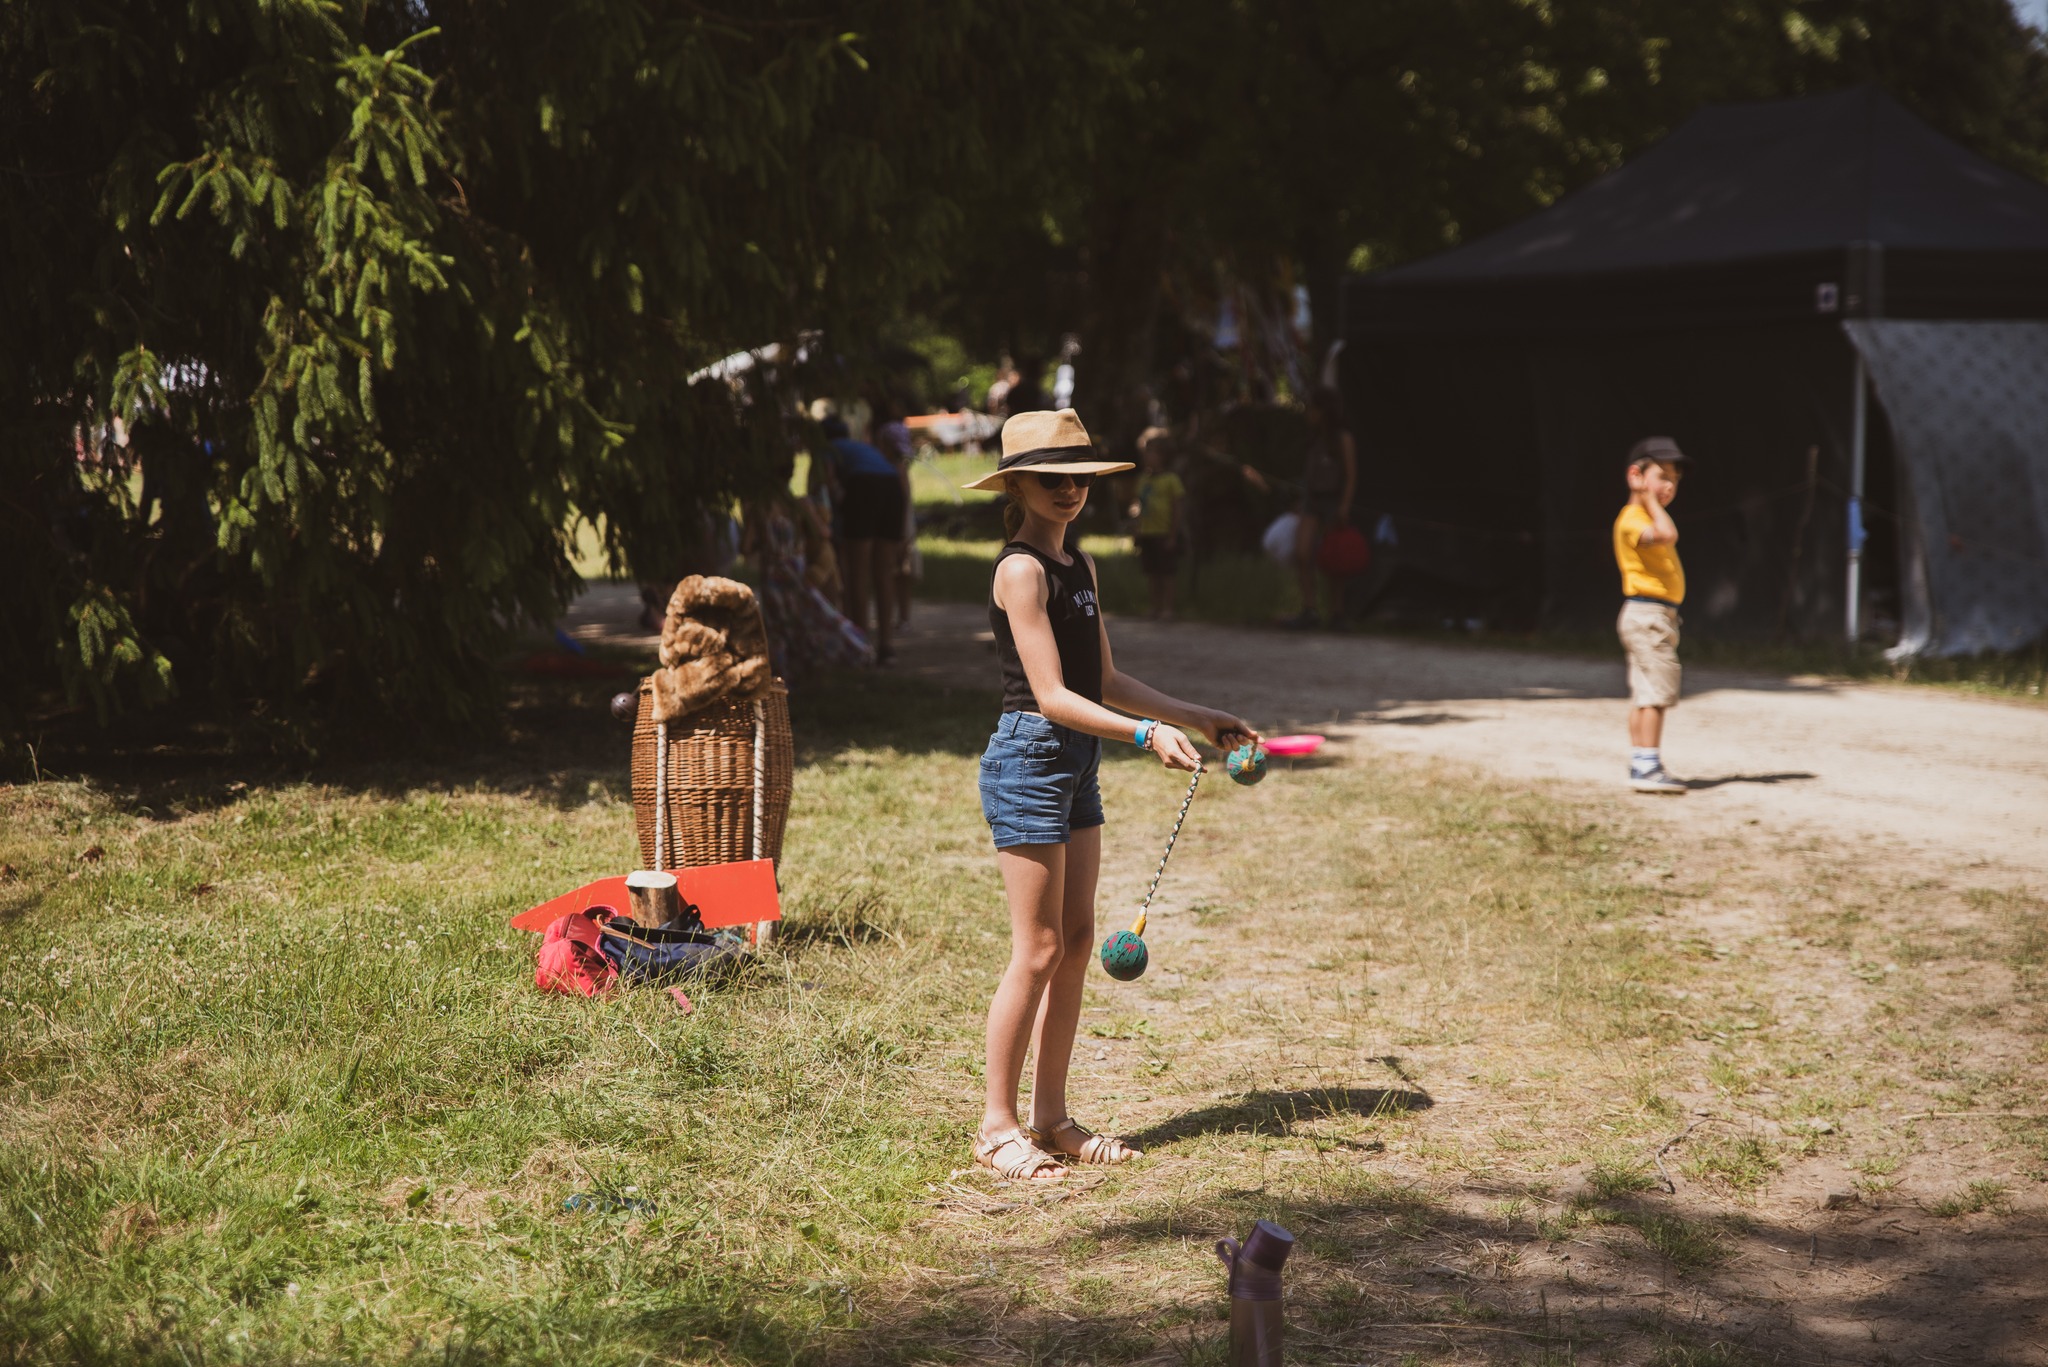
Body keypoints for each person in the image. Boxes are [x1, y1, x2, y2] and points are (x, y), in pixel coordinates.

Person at [962, 408, 1260, 1180]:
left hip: (1076, 762)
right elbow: (1052, 694)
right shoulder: (1020, 570)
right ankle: (996, 1127)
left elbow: (1104, 678)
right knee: (1037, 949)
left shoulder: (1080, 566)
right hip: (1030, 757)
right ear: (1017, 486)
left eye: (1080, 478)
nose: (1068, 491)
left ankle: (1051, 1117)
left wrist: (1197, 716)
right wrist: (1143, 734)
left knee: (1077, 939)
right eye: (1050, 479)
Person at [742, 455, 872, 680]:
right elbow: (823, 533)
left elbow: (745, 546)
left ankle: (784, 675)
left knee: (777, 626)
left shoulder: (760, 508)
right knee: (814, 615)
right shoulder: (801, 505)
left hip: (772, 573)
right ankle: (850, 652)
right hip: (795, 569)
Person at [1615, 436, 1690, 795]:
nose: (1670, 486)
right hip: (1648, 616)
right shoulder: (1633, 519)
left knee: (1646, 691)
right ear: (1636, 476)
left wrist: (1651, 498)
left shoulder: (1643, 516)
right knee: (1656, 693)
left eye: (1675, 480)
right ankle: (1648, 765)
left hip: (1656, 616)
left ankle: (1640, 761)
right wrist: (1647, 499)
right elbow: (1667, 534)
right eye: (1662, 476)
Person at [820, 413, 905, 665]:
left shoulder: (827, 449)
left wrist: (836, 506)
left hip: (863, 486)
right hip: (892, 486)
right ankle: (886, 646)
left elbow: (827, 480)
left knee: (857, 572)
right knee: (884, 572)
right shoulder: (861, 447)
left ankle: (859, 645)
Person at [1282, 386, 1356, 629]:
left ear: (1323, 410)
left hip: (1333, 501)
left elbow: (1350, 476)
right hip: (1312, 501)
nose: (1308, 413)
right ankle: (1309, 608)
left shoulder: (1342, 439)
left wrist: (1344, 506)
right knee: (1302, 552)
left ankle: (1337, 612)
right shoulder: (1314, 439)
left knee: (1335, 558)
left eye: (1312, 408)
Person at [1126, 427, 1186, 620]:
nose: (1146, 457)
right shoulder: (1143, 479)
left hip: (1164, 533)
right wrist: (1135, 525)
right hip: (1147, 532)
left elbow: (1177, 508)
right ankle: (1154, 606)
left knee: (1167, 573)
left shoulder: (1171, 480)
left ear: (1163, 455)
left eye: (1150, 452)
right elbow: (1137, 502)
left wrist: (1173, 535)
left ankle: (1168, 608)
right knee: (1151, 572)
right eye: (1144, 453)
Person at [871, 397, 920, 628]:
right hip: (901, 522)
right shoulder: (896, 467)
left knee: (900, 571)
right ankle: (900, 617)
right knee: (897, 571)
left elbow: (903, 500)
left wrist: (902, 531)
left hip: (900, 524)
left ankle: (903, 616)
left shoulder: (896, 469)